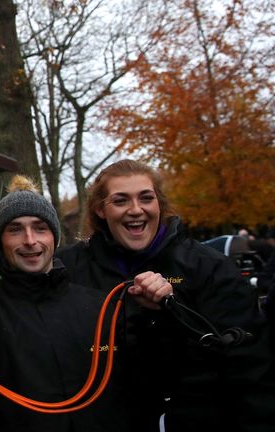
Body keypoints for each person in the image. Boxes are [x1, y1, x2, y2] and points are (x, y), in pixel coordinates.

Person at [0, 175, 170, 431]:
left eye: (40, 228)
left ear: (54, 237)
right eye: (15, 230)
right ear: (0, 242)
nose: (30, 241)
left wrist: (156, 312)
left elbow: (154, 373)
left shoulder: (103, 307)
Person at [57, 159, 275, 431]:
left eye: (146, 198)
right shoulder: (69, 269)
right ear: (101, 209)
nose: (136, 210)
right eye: (121, 200)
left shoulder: (208, 266)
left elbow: (250, 364)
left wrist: (171, 310)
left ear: (158, 203)